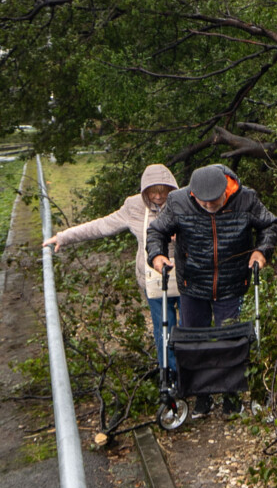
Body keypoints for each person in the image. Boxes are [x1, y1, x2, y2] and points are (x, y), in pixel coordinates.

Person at [146, 163, 277, 415]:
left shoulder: (246, 198)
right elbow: (157, 231)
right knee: (195, 341)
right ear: (193, 194)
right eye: (203, 203)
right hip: (192, 283)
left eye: (214, 202)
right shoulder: (178, 201)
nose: (209, 207)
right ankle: (201, 397)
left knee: (229, 340)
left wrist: (262, 251)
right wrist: (157, 256)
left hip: (232, 281)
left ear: (225, 191)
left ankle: (231, 396)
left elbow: (269, 225)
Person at [43, 164, 182, 388]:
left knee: (186, 329)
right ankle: (170, 375)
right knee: (162, 329)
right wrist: (64, 237)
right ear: (144, 191)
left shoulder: (183, 201)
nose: (158, 196)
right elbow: (102, 226)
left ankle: (192, 374)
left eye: (162, 190)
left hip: (185, 278)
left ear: (171, 188)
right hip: (153, 280)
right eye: (152, 191)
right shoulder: (133, 206)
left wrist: (183, 239)